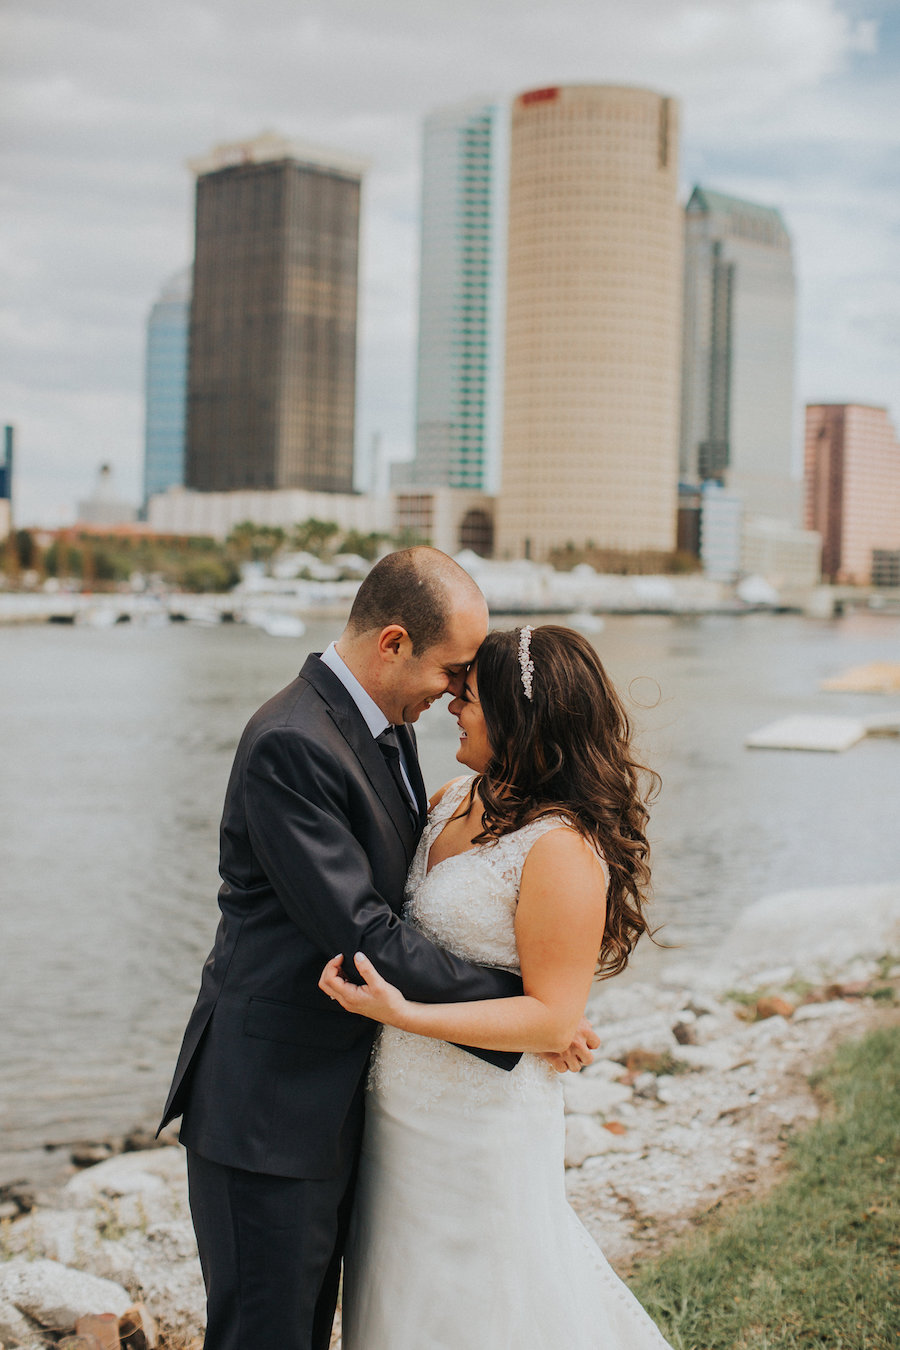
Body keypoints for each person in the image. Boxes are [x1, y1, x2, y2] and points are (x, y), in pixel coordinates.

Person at [159, 550, 597, 1350]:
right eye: (455, 670)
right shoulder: (291, 742)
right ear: (394, 642)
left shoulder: (385, 732)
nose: (460, 694)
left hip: (352, 1102)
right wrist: (532, 1010)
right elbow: (363, 930)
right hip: (271, 1108)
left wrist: (539, 1010)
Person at [320, 623, 672, 1350]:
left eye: (471, 696)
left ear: (522, 720)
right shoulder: (449, 798)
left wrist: (404, 1013)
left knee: (481, 1305)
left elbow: (549, 1018)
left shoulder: (561, 848)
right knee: (399, 1296)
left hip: (481, 1123)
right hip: (397, 1113)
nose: (453, 702)